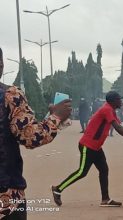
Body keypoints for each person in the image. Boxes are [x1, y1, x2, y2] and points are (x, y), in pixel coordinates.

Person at [0, 47, 72, 219]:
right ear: (1, 64)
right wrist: (56, 116)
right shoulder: (9, 96)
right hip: (7, 197)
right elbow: (31, 137)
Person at [51, 91, 123, 207]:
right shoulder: (107, 109)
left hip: (96, 147)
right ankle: (58, 189)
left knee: (104, 170)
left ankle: (105, 199)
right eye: (119, 99)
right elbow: (117, 128)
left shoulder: (110, 110)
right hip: (88, 146)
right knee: (82, 172)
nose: (121, 101)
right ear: (113, 101)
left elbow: (118, 125)